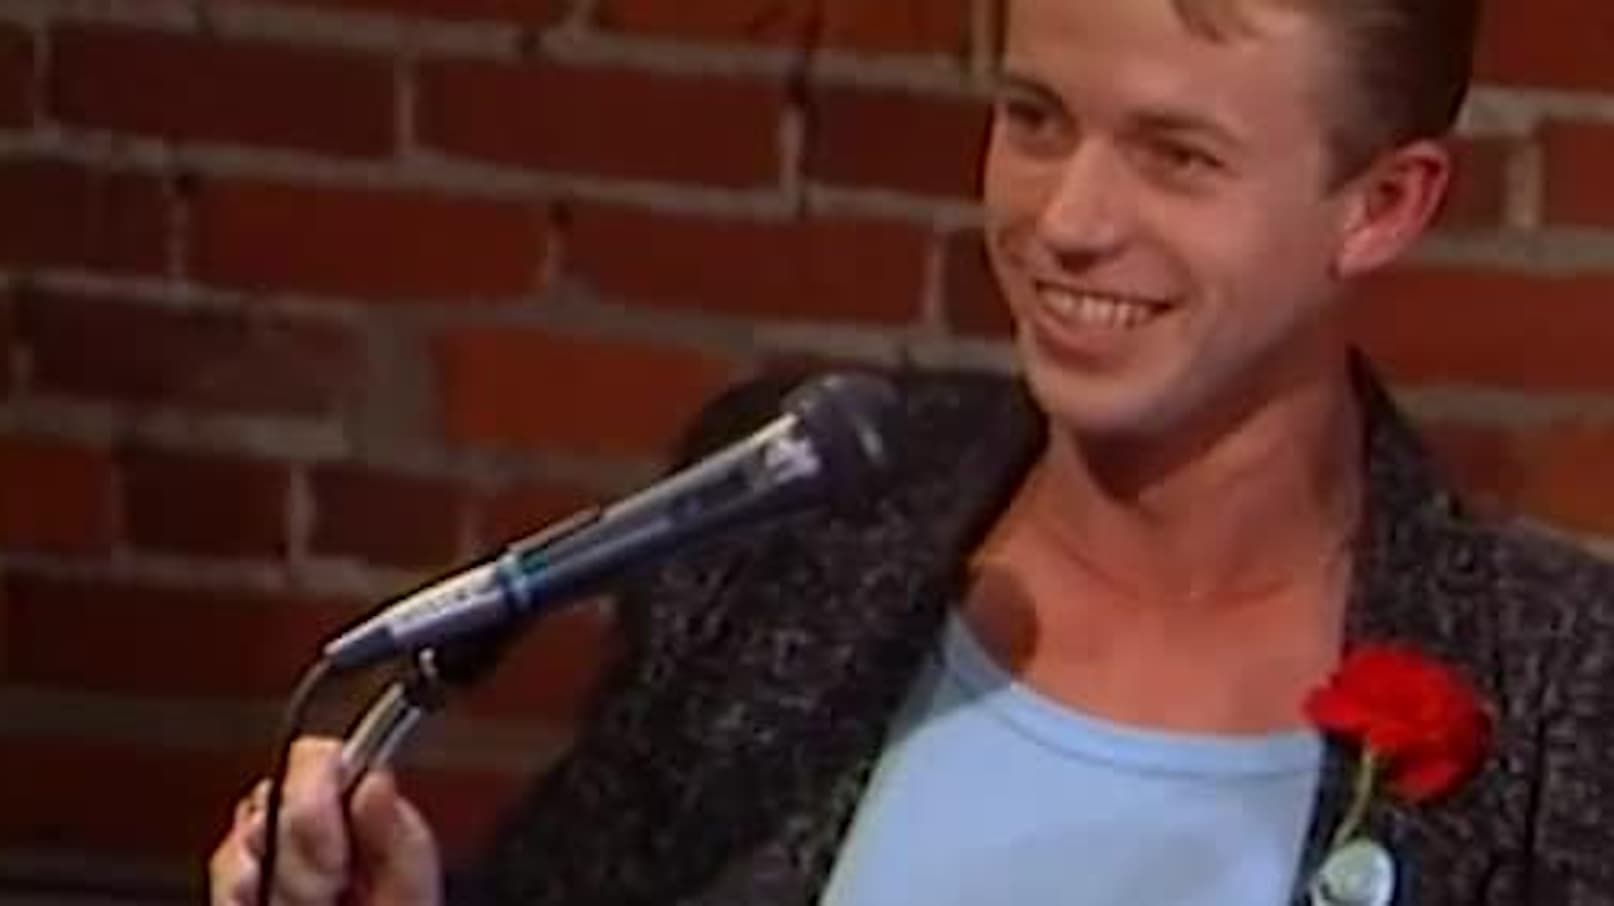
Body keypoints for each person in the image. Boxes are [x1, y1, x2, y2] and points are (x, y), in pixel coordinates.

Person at [211, 0, 1614, 902]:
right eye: (1034, 119)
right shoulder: (786, 519)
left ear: (1382, 205)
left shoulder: (1556, 690)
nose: (1067, 221)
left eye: (1176, 156)